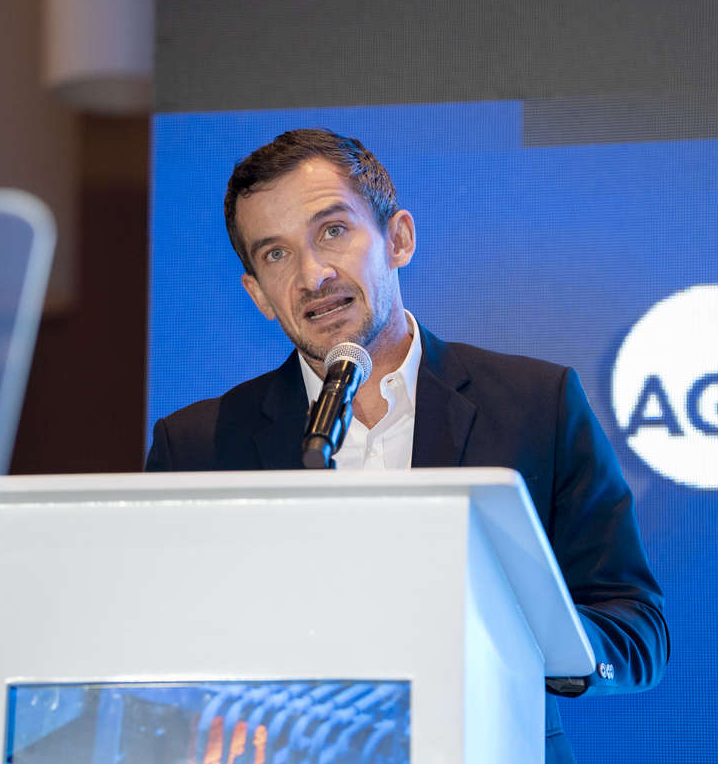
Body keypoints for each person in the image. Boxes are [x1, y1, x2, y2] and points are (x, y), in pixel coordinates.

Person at [145, 129, 668, 763]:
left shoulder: (537, 403)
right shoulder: (196, 446)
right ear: (257, 293)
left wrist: (532, 632)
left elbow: (637, 631)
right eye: (276, 255)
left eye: (333, 231)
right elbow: (161, 656)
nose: (313, 275)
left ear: (398, 238)